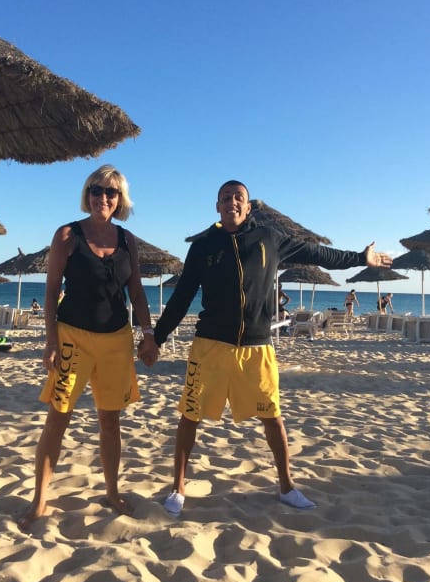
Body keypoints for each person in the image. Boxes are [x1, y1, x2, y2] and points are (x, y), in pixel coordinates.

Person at [150, 180, 392, 516]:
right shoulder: (203, 246)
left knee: (272, 417)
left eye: (239, 197)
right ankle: (178, 487)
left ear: (247, 207)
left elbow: (319, 254)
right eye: (226, 198)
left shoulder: (270, 238)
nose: (232, 202)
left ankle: (287, 487)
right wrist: (157, 337)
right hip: (210, 346)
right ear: (217, 206)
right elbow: (181, 296)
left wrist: (359, 258)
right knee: (190, 415)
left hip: (256, 346)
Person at [18, 164, 158, 529]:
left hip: (116, 340)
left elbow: (136, 291)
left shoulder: (127, 240)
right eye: (97, 190)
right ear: (88, 194)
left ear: (120, 199)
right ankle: (39, 500)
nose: (103, 198)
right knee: (58, 418)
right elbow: (51, 292)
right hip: (72, 338)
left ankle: (112, 492)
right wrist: (50, 340)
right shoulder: (67, 235)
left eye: (111, 192)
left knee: (110, 421)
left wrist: (148, 333)